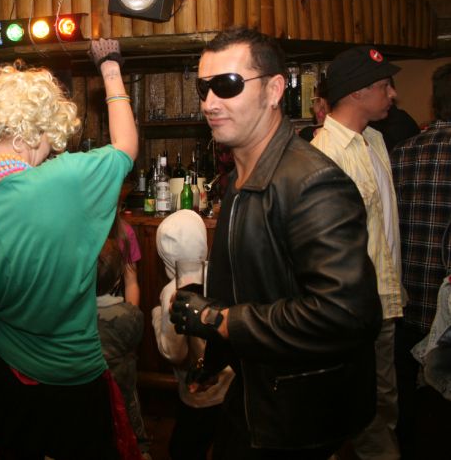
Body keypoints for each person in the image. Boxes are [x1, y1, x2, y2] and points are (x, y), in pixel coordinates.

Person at [169, 27, 382, 460]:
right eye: (204, 88)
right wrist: (215, 358)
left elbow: (346, 315)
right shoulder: (240, 178)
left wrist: (218, 320)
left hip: (296, 417)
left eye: (228, 85)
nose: (210, 103)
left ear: (274, 90)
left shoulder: (311, 181)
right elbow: (254, 288)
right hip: (255, 394)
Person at [0, 39, 139, 460]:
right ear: (28, 133)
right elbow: (126, 146)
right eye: (49, 139)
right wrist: (109, 67)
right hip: (73, 378)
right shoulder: (65, 179)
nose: (52, 149)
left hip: (7, 374)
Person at [311, 45, 405, 460]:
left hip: (383, 302)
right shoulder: (324, 154)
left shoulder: (375, 140)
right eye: (384, 85)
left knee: (383, 405)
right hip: (354, 312)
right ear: (357, 91)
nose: (393, 94)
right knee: (363, 414)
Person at [390, 63, 451, 459]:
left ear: (435, 101)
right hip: (447, 313)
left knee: (404, 409)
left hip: (407, 302)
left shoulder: (402, 152)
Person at [152, 210, 234, 460]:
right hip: (229, 384)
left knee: (183, 450)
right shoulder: (220, 277)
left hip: (198, 393)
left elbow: (174, 352)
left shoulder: (173, 292)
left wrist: (157, 315)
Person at [96, 238, 150, 458]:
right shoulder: (131, 316)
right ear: (118, 279)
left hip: (87, 390)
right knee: (130, 418)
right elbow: (133, 342)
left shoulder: (74, 315)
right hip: (123, 386)